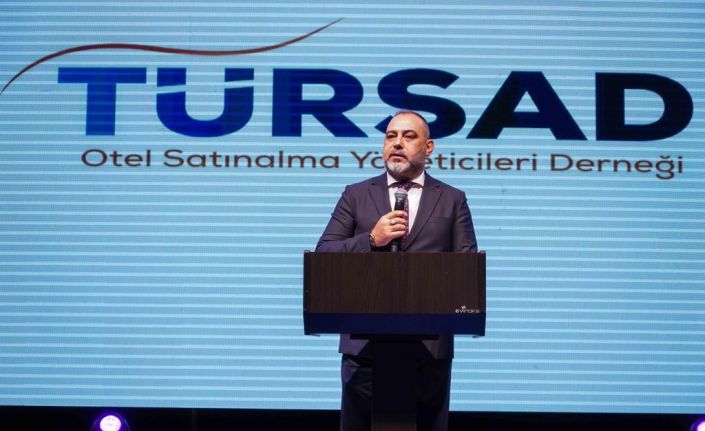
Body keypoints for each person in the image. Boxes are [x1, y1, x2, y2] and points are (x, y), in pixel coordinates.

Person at [315, 110, 478, 431]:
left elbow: (466, 268)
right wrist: (370, 240)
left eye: (408, 136)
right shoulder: (356, 194)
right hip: (364, 348)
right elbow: (325, 254)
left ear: (429, 147)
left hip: (428, 349)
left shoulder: (452, 199)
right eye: (391, 136)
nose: (397, 143)